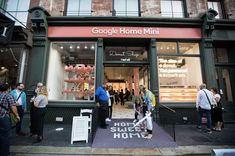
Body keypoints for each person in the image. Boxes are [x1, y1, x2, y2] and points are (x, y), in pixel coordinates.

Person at [0, 83, 20, 156]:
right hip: (4, 118)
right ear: (8, 89)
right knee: (5, 136)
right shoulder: (8, 95)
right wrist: (17, 115)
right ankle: (4, 154)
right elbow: (13, 107)